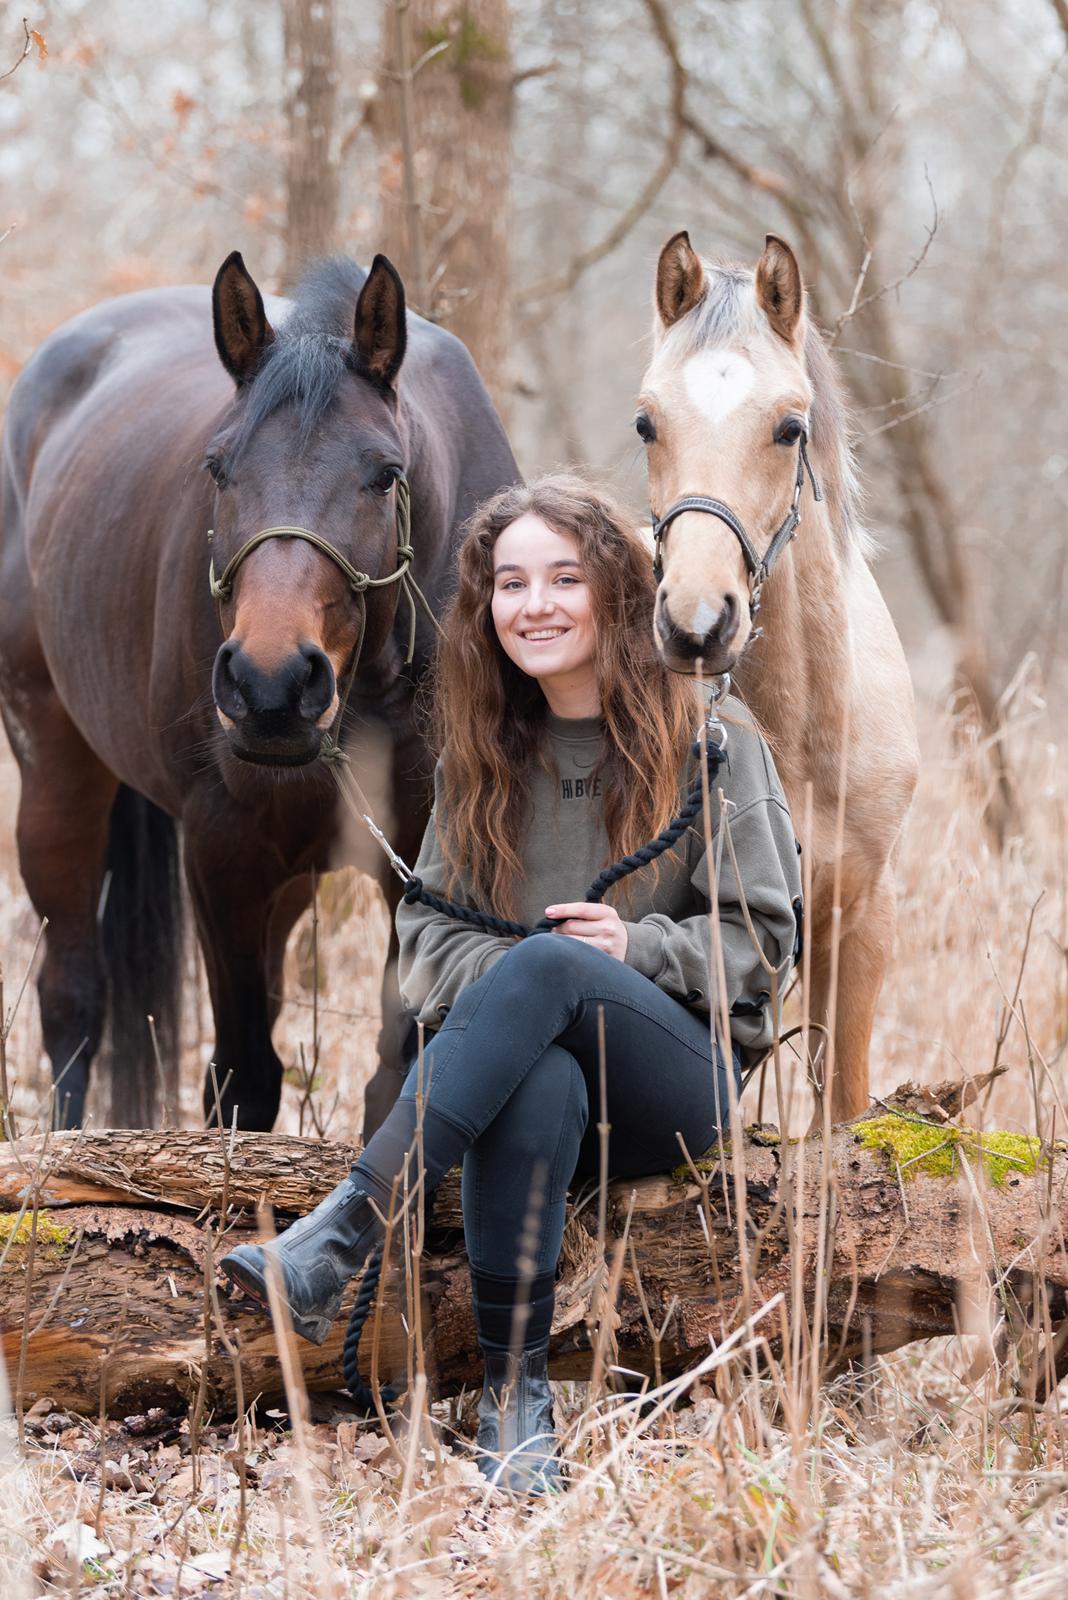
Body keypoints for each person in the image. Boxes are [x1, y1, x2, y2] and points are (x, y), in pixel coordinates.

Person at [222, 474, 802, 1494]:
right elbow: (427, 934)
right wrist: (531, 986)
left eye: (564, 578)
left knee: (549, 967)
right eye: (509, 582)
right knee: (535, 1062)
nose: (533, 604)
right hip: (530, 1089)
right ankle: (515, 1405)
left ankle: (345, 1228)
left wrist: (632, 951)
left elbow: (763, 940)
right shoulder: (487, 752)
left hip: (672, 1081)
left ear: (619, 591)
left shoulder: (715, 737)